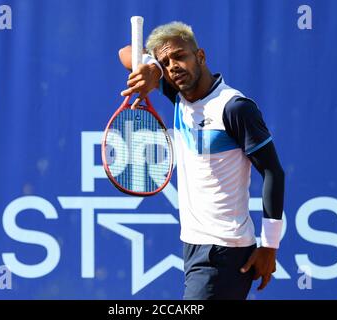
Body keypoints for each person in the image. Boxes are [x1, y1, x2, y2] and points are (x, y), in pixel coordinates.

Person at [119, 21, 285, 300]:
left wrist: (269, 246)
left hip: (224, 252)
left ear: (201, 56)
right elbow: (125, 52)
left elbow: (273, 172)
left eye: (180, 56)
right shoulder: (179, 96)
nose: (173, 66)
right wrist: (152, 69)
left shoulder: (234, 108)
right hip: (194, 245)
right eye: (165, 62)